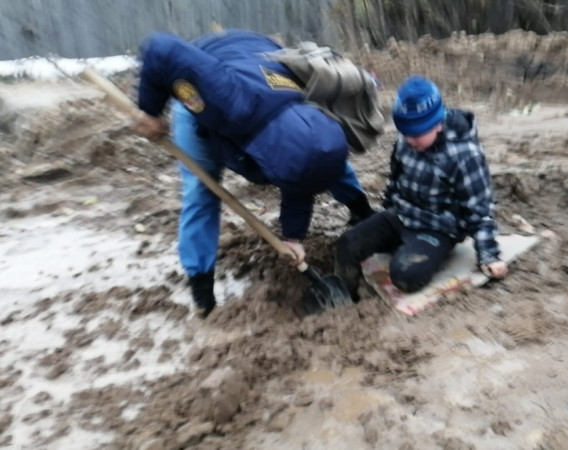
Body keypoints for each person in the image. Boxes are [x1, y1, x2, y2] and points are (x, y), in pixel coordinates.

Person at [133, 29, 375, 317]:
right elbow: (160, 48)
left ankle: (362, 212)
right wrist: (150, 111)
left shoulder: (309, 112)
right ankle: (203, 293)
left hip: (261, 65)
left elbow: (303, 179)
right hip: (208, 93)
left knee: (321, 154)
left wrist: (293, 237)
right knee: (202, 190)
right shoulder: (228, 98)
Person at [334, 76, 507, 300]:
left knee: (406, 275)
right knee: (348, 244)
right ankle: (342, 299)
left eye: (416, 134)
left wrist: (489, 255)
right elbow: (396, 180)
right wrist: (384, 214)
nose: (409, 139)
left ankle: (418, 251)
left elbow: (479, 209)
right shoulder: (405, 141)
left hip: (437, 227)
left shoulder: (465, 155)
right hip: (402, 215)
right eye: (405, 133)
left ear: (438, 123)